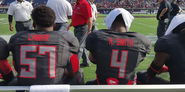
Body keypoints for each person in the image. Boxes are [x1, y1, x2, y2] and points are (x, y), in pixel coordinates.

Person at [8, 5, 82, 86]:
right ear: (54, 23)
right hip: (55, 84)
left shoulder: (17, 38)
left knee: (13, 80)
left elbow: (16, 66)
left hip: (26, 84)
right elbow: (74, 67)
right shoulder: (66, 38)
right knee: (79, 74)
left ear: (33, 23)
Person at [85, 8, 151, 85]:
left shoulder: (96, 37)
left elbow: (92, 59)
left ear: (109, 21)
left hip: (103, 85)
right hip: (128, 86)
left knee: (87, 83)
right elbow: (138, 61)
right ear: (128, 22)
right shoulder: (141, 40)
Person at [139, 14, 185, 84]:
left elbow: (152, 71)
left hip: (179, 88)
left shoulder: (167, 42)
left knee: (141, 76)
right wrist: (168, 69)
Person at [69, 0, 93, 67]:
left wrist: (89, 30)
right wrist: (69, 25)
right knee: (81, 45)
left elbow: (89, 18)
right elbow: (75, 17)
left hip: (82, 28)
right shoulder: (77, 4)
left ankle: (75, 65)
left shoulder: (85, 3)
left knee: (78, 46)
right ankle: (86, 62)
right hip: (77, 28)